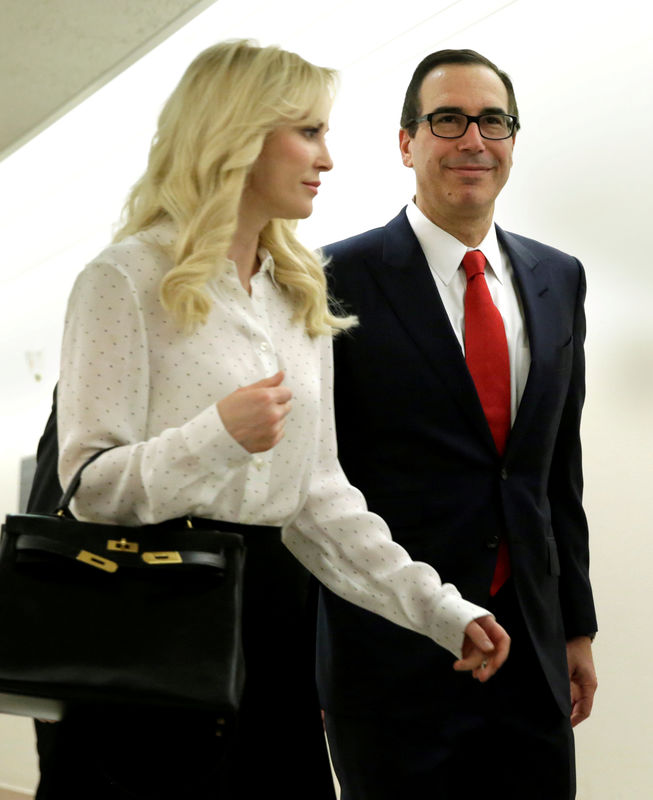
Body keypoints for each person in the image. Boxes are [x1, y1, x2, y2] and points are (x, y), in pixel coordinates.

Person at [35, 40, 510, 799]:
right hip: (156, 623)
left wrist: (440, 611)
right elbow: (90, 488)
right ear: (236, 135)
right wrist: (215, 437)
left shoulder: (298, 292)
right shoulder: (123, 280)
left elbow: (318, 497)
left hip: (274, 629)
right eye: (308, 131)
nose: (327, 156)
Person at [318, 48, 598, 799]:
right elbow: (312, 485)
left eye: (493, 121)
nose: (473, 140)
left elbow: (553, 467)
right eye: (447, 120)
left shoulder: (556, 278)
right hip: (392, 652)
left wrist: (575, 625)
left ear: (512, 139)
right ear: (405, 142)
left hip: (531, 649)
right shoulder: (328, 280)